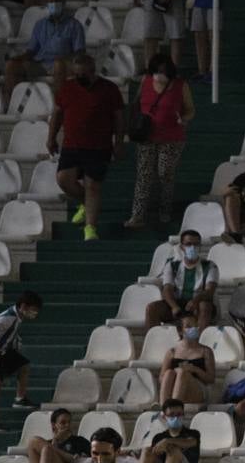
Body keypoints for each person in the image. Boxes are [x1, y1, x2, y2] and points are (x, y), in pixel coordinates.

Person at [48, 52, 124, 242]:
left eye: (83, 74)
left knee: (93, 186)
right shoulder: (67, 88)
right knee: (63, 179)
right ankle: (85, 203)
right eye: (76, 74)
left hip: (99, 146)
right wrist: (51, 138)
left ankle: (90, 228)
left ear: (92, 71)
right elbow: (57, 115)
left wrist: (119, 142)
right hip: (71, 144)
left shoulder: (109, 89)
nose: (79, 78)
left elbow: (119, 118)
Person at [127, 53, 194, 229]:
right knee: (144, 175)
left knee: (165, 173)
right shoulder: (146, 81)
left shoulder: (181, 86)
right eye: (155, 71)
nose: (158, 75)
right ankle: (137, 215)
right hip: (147, 136)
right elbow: (136, 103)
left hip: (172, 137)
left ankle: (165, 209)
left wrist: (184, 120)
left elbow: (190, 109)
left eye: (162, 71)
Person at [3, 0, 85, 102]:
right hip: (40, 63)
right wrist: (17, 59)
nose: (54, 4)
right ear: (46, 4)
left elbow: (80, 52)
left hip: (63, 64)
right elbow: (31, 51)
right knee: (11, 65)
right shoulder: (40, 25)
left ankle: (58, 105)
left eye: (57, 1)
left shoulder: (74, 25)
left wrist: (64, 60)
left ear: (63, 3)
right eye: (51, 1)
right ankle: (10, 104)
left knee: (58, 65)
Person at [0, 290, 41, 432]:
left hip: (4, 350)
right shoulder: (8, 317)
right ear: (24, 306)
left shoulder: (17, 317)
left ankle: (20, 399)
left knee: (24, 366)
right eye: (33, 310)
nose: (34, 313)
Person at [147, 229, 218, 331]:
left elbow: (209, 291)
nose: (192, 247)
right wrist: (174, 306)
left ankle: (200, 341)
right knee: (152, 308)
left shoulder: (210, 266)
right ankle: (153, 341)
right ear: (181, 247)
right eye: (188, 244)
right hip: (177, 303)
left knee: (205, 305)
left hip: (198, 304)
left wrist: (195, 300)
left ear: (200, 247)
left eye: (196, 244)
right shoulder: (172, 265)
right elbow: (167, 289)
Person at [139, 398, 201, 463]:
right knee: (147, 450)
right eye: (172, 415)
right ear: (164, 417)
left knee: (173, 450)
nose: (176, 418)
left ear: (183, 415)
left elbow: (191, 442)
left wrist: (168, 441)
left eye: (179, 414)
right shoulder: (159, 437)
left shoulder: (193, 434)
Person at [157, 311, 216, 405]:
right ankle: (164, 407)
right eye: (189, 326)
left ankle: (174, 408)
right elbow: (161, 378)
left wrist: (194, 369)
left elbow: (211, 379)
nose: (193, 328)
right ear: (180, 331)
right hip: (175, 387)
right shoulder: (172, 352)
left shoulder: (206, 351)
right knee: (169, 373)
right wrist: (175, 371)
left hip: (198, 389)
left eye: (195, 325)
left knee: (182, 373)